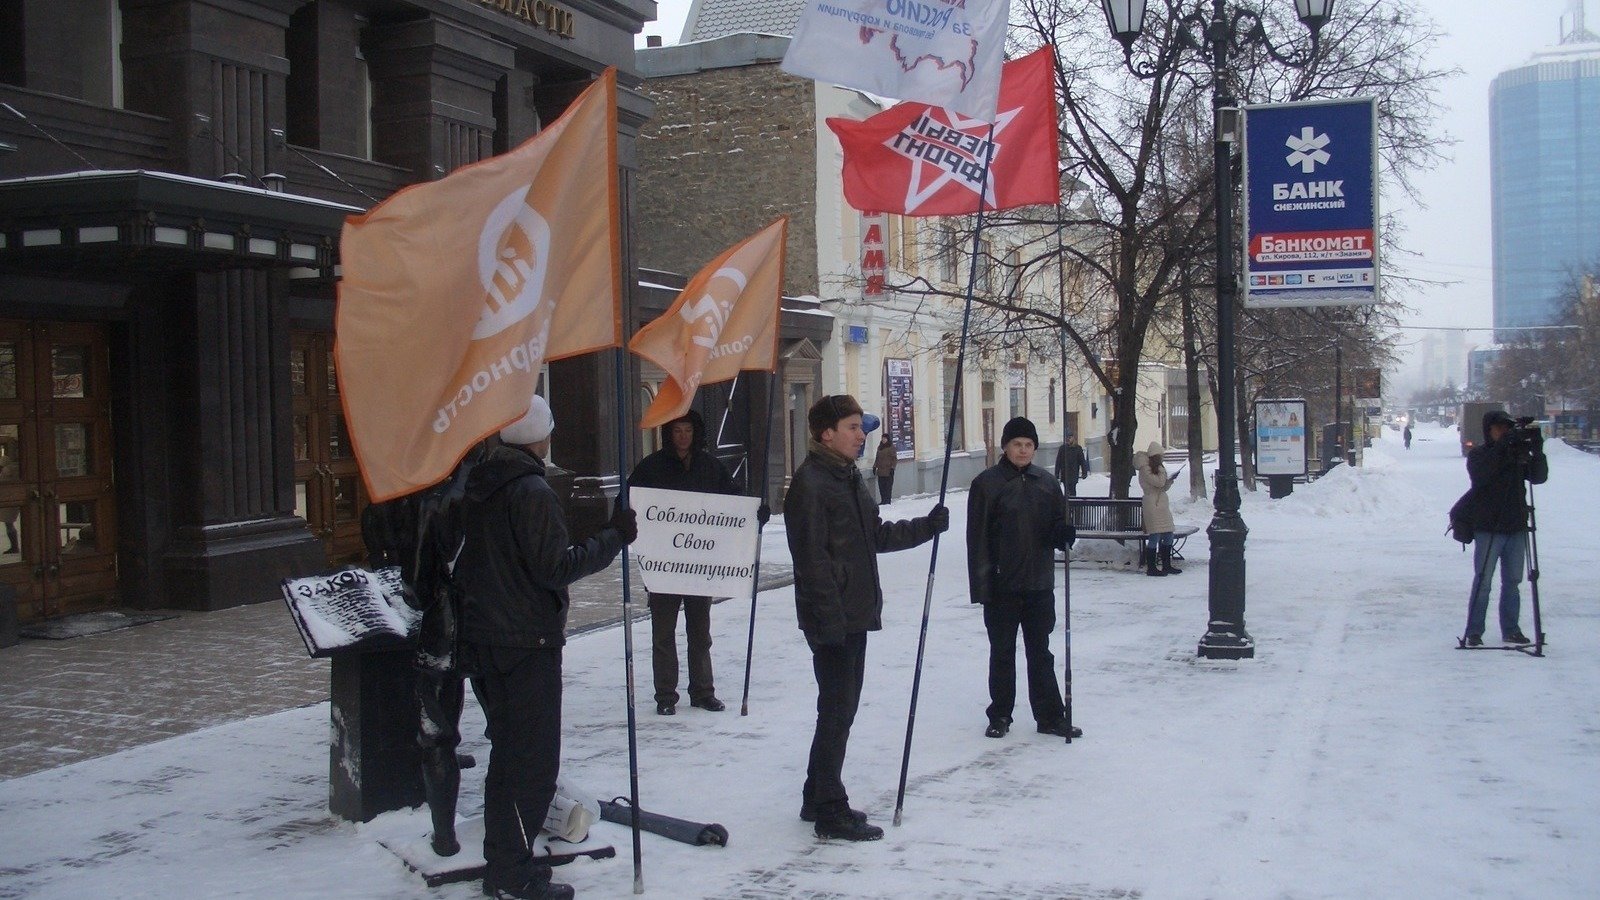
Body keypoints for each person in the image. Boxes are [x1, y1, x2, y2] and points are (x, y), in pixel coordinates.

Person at [455, 395, 636, 900]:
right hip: (524, 641)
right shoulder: (530, 489)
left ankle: (507, 863)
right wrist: (613, 537)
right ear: (539, 435)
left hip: (489, 638)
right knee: (531, 763)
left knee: (509, 758)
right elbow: (555, 567)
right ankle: (511, 875)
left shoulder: (483, 483)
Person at [784, 394, 948, 842]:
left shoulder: (848, 478)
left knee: (839, 709)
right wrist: (830, 624)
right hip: (833, 619)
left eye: (861, 427)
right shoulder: (812, 483)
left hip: (853, 612)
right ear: (827, 433)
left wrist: (926, 527)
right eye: (854, 427)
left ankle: (815, 794)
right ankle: (829, 810)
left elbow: (875, 535)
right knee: (837, 710)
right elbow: (811, 563)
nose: (862, 435)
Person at [628, 410, 757, 716]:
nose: (682, 437)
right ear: (668, 434)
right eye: (677, 431)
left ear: (695, 433)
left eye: (687, 430)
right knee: (663, 634)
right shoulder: (651, 467)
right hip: (664, 565)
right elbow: (630, 500)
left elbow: (733, 500)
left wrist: (754, 513)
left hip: (700, 566)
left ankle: (702, 691)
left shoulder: (710, 467)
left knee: (700, 633)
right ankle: (665, 696)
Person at [967, 417, 1079, 741]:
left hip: (1039, 584)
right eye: (1017, 444)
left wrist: (1063, 533)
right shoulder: (987, 485)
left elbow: (1055, 527)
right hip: (1002, 586)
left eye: (1029, 445)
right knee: (1002, 652)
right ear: (1005, 446)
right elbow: (977, 541)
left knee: (1040, 652)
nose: (1023, 450)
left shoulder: (1047, 483)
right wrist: (983, 587)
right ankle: (1000, 713)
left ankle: (1050, 716)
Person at [1461, 410, 1548, 647]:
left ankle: (1511, 629)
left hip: (1516, 526)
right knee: (1483, 581)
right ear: (1489, 430)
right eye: (1499, 428)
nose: (1504, 432)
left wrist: (1537, 451)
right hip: (1488, 528)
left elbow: (1538, 478)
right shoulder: (1479, 454)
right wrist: (1503, 448)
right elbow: (1482, 476)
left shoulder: (1515, 454)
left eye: (1507, 428)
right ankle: (1474, 630)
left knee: (1513, 582)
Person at [1136, 441, 1181, 577]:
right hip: (1152, 504)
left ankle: (1166, 565)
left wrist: (1170, 480)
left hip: (1161, 504)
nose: (1162, 458)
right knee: (1154, 535)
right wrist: (1163, 473)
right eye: (1160, 456)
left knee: (1168, 534)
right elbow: (1159, 482)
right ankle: (1152, 567)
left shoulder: (1156, 469)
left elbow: (1162, 486)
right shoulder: (1145, 469)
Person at [1053, 432, 1090, 497]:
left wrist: (1084, 472)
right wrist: (1057, 473)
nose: (1068, 439)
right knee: (1066, 491)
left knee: (1072, 490)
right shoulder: (1062, 448)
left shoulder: (1078, 448)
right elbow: (1058, 462)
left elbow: (1082, 461)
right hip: (1065, 474)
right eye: (1067, 438)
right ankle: (1067, 505)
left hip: (1074, 474)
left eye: (1070, 438)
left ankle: (1072, 505)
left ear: (1073, 438)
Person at [872, 434, 897, 505]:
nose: (883, 440)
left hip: (888, 470)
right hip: (880, 471)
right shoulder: (880, 447)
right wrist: (874, 467)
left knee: (888, 487)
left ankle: (887, 501)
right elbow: (877, 458)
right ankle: (883, 500)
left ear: (888, 439)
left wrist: (892, 468)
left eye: (885, 438)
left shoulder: (891, 447)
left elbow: (894, 459)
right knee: (881, 486)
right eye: (882, 438)